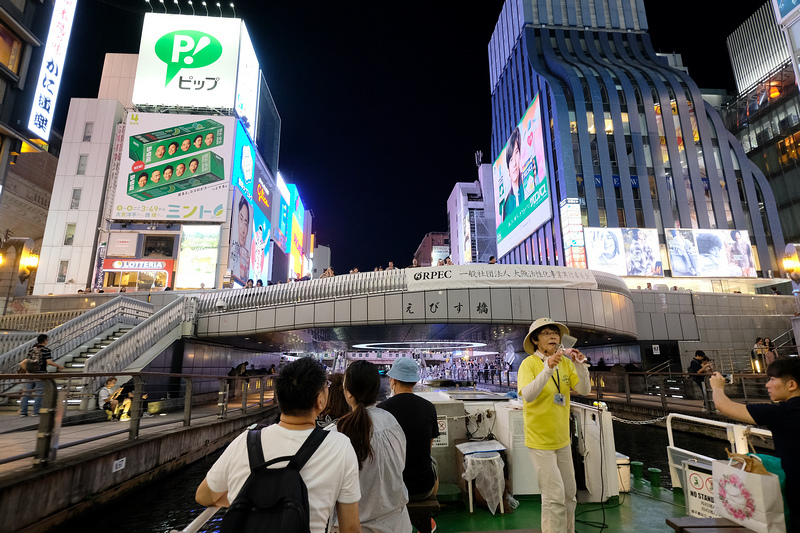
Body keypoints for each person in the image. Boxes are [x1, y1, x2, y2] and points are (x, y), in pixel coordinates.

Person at [197, 358, 361, 533]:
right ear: (320, 400)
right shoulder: (340, 446)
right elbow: (350, 527)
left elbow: (203, 496)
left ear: (279, 396)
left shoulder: (246, 441)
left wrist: (247, 499)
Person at [709, 358, 800, 532]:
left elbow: (723, 405)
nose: (767, 385)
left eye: (772, 380)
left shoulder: (781, 414)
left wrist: (717, 387)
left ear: (791, 385)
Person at [517, 317, 590, 533]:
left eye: (555, 333)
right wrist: (547, 367)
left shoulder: (566, 363)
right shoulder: (528, 364)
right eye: (546, 333)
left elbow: (584, 390)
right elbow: (528, 395)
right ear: (536, 341)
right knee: (554, 496)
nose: (552, 336)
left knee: (569, 493)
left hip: (562, 439)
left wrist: (580, 365)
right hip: (540, 441)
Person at [335, 361, 411, 532]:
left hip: (353, 526)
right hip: (398, 524)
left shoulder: (337, 432)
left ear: (348, 393)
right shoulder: (392, 422)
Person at [378, 358, 440, 506]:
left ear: (393, 381)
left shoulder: (382, 409)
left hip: (391, 489)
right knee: (433, 462)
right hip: (422, 488)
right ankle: (429, 515)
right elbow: (428, 448)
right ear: (415, 382)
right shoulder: (429, 407)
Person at [19, 334, 64, 416]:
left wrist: (28, 370)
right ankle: (36, 412)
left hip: (30, 374)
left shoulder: (31, 350)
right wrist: (59, 366)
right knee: (39, 393)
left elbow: (23, 363)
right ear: (45, 340)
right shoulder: (46, 350)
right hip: (40, 374)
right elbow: (49, 362)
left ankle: (23, 412)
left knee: (26, 393)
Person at [501, 127, 523, 221]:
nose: (514, 163)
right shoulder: (507, 205)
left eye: (517, 153)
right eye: (510, 160)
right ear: (508, 169)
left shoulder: (528, 181)